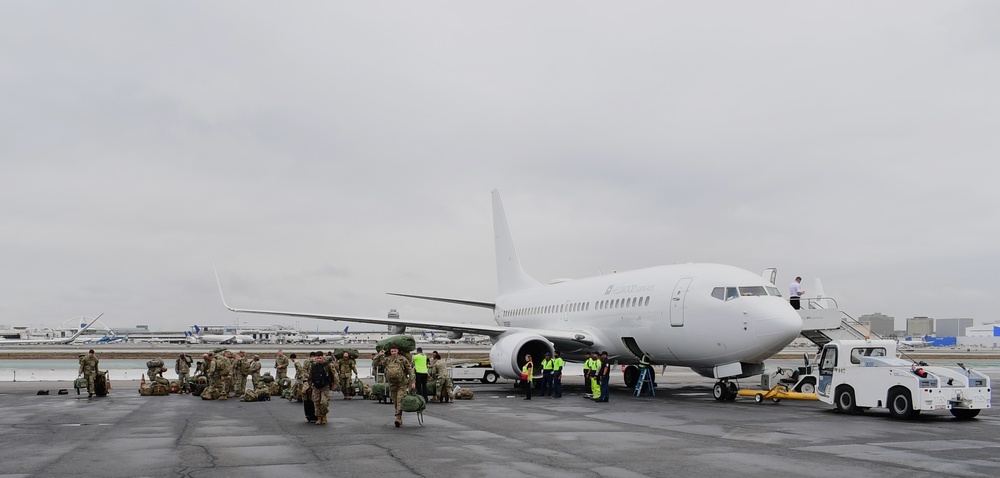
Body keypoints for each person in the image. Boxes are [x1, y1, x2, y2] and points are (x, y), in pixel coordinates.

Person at [374, 343, 415, 427]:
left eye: (395, 351)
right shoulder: (387, 359)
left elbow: (410, 370)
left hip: (402, 383)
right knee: (395, 401)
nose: (393, 353)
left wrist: (412, 382)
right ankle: (399, 416)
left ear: (398, 351)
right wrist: (379, 355)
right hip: (392, 384)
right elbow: (375, 364)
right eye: (392, 351)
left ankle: (398, 419)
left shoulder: (402, 359)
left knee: (399, 399)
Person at [309, 351, 339, 425]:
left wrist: (335, 385)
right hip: (316, 386)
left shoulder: (328, 365)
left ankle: (324, 415)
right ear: (315, 358)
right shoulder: (313, 366)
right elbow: (310, 376)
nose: (319, 359)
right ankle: (319, 418)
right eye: (317, 358)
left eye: (320, 358)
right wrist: (309, 386)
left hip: (325, 386)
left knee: (324, 402)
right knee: (316, 402)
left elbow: (335, 375)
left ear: (323, 357)